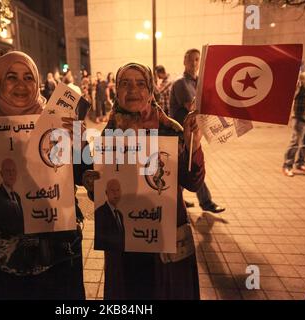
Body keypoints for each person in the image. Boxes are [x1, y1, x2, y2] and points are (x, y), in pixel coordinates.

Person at [0, 51, 87, 300]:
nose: (21, 85)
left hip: (59, 244)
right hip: (7, 249)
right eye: (11, 77)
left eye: (28, 77)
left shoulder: (58, 122)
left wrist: (79, 142)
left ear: (37, 82)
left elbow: (81, 173)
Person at [83, 62, 204, 300]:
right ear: (116, 91)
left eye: (140, 83)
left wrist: (194, 146)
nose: (133, 90)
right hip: (124, 244)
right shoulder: (109, 134)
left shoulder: (171, 131)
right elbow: (104, 188)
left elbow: (193, 182)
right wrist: (93, 185)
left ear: (150, 90)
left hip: (165, 241)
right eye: (125, 84)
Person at [169, 48, 225, 214]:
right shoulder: (180, 83)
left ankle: (180, 198)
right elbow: (193, 107)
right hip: (180, 134)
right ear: (184, 61)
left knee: (187, 169)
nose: (194, 63)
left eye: (197, 60)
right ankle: (206, 202)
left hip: (194, 134)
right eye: (190, 59)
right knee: (191, 168)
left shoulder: (200, 82)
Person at [0, 158, 23, 236]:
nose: (11, 174)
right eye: (8, 170)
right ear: (1, 173)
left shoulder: (17, 196)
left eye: (13, 170)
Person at [94, 179, 125, 251]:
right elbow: (99, 240)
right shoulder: (100, 213)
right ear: (106, 193)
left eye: (118, 190)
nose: (116, 193)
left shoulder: (120, 214)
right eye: (113, 190)